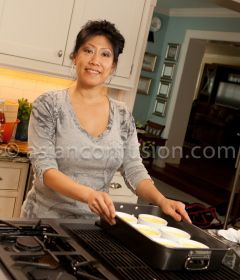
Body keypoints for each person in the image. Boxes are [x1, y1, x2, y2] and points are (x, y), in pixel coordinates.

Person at [21, 20, 191, 224]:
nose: (95, 60)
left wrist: (161, 200)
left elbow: (133, 168)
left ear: (113, 67)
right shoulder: (49, 105)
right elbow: (46, 170)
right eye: (88, 50)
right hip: (43, 221)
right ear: (75, 57)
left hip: (93, 225)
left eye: (105, 54)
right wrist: (88, 195)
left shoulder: (122, 115)